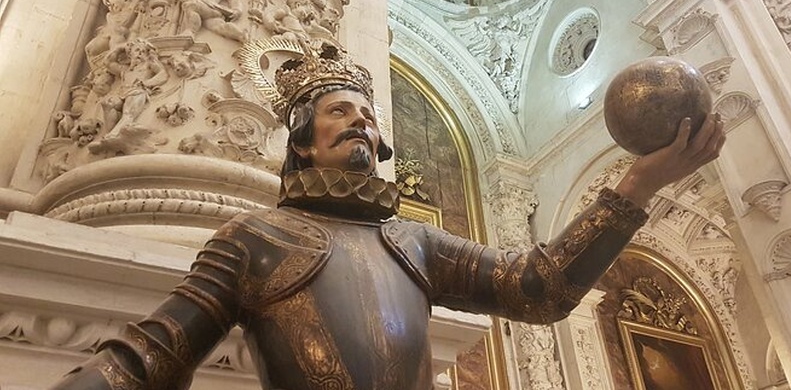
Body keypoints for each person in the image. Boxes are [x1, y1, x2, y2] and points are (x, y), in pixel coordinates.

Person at [48, 37, 725, 390]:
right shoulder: (254, 237)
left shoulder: (414, 241)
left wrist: (636, 183)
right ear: (303, 139)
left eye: (369, 118)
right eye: (342, 112)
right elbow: (153, 354)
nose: (362, 126)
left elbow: (539, 287)